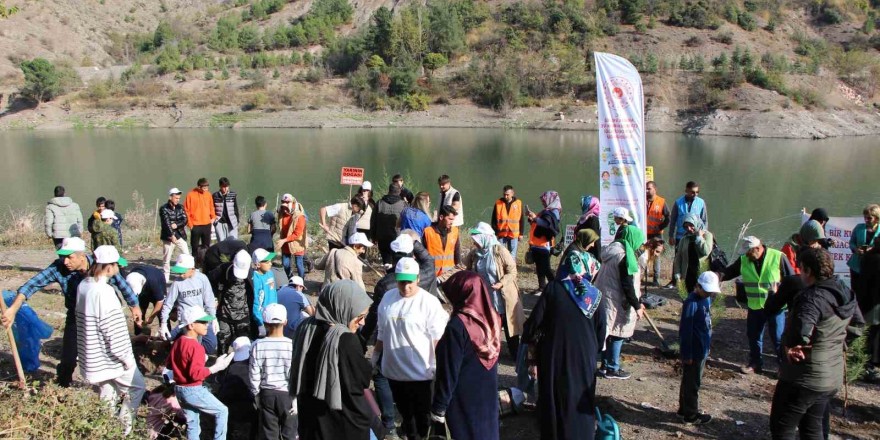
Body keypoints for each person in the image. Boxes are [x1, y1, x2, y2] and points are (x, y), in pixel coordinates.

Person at [1, 237, 142, 387]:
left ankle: (120, 385)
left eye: (70, 257)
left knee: (109, 352)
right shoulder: (59, 268)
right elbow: (32, 285)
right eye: (62, 257)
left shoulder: (98, 264)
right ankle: (63, 384)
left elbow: (121, 284)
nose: (65, 261)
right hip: (77, 317)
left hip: (102, 315)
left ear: (82, 256)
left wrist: (134, 306)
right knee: (68, 358)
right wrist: (13, 309)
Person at [770, 248, 860, 440]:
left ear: (808, 271)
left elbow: (800, 332)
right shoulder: (844, 291)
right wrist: (834, 344)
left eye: (801, 268)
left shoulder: (811, 298)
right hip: (831, 375)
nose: (800, 273)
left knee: (782, 427)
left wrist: (792, 347)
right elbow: (858, 325)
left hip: (804, 377)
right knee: (812, 427)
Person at [521, 242, 606, 440]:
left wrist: (527, 340)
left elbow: (534, 323)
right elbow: (601, 331)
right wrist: (594, 351)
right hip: (584, 358)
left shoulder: (553, 289)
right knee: (580, 399)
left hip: (554, 355)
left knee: (554, 398)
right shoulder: (594, 296)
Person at [291, 280, 375, 440]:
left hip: (309, 421)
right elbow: (361, 381)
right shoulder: (345, 340)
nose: (362, 322)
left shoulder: (305, 328)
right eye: (359, 316)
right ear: (343, 308)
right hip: (342, 424)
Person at [375, 258, 448, 440]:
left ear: (417, 278)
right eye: (401, 281)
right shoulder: (388, 298)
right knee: (406, 415)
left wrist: (440, 369)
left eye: (409, 281)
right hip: (394, 373)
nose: (405, 286)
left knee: (422, 417)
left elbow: (437, 339)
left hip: (421, 374)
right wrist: (375, 356)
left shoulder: (429, 303)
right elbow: (382, 331)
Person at [75, 245, 145, 435]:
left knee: (107, 391)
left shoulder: (84, 285)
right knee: (137, 388)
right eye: (116, 266)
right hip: (110, 357)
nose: (118, 270)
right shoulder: (104, 292)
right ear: (108, 267)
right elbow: (113, 332)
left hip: (92, 356)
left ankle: (103, 429)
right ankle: (124, 430)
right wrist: (127, 359)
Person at [431, 271, 501, 440]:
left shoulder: (458, 326)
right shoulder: (493, 319)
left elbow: (449, 370)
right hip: (487, 394)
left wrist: (439, 407)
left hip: (464, 396)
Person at [721, 236, 794, 374]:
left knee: (778, 338)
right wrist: (717, 275)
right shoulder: (744, 260)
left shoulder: (778, 257)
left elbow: (792, 280)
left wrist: (792, 303)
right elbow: (729, 272)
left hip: (776, 307)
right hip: (755, 306)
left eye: (749, 252)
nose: (747, 255)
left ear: (758, 248)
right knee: (754, 336)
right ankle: (755, 364)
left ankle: (783, 368)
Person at [167, 305, 235, 440]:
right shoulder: (197, 347)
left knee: (192, 423)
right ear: (191, 325)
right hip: (193, 389)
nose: (206, 325)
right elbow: (195, 374)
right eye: (203, 322)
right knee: (222, 411)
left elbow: (169, 364)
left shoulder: (179, 341)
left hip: (179, 388)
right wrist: (215, 367)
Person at [461, 222, 525, 358]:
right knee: (490, 327)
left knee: (510, 330)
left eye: (477, 241)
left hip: (503, 297)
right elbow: (461, 267)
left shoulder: (499, 251)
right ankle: (491, 354)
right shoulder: (475, 254)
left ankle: (516, 356)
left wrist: (501, 283)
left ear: (485, 238)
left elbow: (512, 271)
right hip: (486, 297)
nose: (475, 244)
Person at [594, 215, 646, 380]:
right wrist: (637, 306)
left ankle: (604, 365)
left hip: (605, 296)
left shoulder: (613, 249)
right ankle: (612, 367)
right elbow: (627, 284)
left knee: (607, 332)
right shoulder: (625, 257)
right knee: (618, 333)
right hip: (615, 300)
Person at [249, 303, 296, 440]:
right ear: (285, 322)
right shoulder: (292, 345)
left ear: (265, 323)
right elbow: (294, 374)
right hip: (287, 395)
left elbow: (254, 373)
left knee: (269, 434)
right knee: (290, 433)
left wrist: (256, 394)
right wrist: (296, 398)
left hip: (266, 393)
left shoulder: (257, 345)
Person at [678, 272, 719, 426]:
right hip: (693, 352)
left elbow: (706, 325)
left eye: (711, 291)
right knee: (692, 383)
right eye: (707, 290)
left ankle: (684, 409)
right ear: (698, 286)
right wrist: (686, 353)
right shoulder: (691, 302)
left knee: (692, 381)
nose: (709, 293)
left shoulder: (705, 299)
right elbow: (686, 331)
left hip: (702, 349)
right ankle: (691, 415)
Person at [160, 254, 218, 355]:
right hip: (186, 321)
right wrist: (163, 323)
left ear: (192, 269)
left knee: (211, 345)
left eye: (183, 271)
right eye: (179, 271)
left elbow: (209, 300)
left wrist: (213, 318)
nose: (180, 274)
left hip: (200, 318)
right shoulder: (177, 283)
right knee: (191, 345)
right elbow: (168, 304)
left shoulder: (202, 279)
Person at [209, 250, 254, 353]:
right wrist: (214, 298)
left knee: (244, 346)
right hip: (224, 315)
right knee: (223, 343)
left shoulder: (250, 274)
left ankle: (241, 367)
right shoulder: (223, 270)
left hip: (243, 316)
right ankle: (222, 367)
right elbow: (209, 281)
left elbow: (253, 294)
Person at [668, 182, 708, 288]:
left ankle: (694, 281)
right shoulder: (678, 203)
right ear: (686, 190)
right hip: (680, 236)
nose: (695, 194)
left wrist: (703, 234)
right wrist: (671, 235)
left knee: (694, 258)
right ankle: (674, 281)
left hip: (695, 236)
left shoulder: (701, 202)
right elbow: (673, 220)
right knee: (678, 258)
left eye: (697, 192)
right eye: (693, 192)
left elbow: (704, 220)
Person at [217, 337, 258, 437]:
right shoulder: (255, 366)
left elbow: (223, 392)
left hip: (232, 407)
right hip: (251, 405)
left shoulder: (230, 368)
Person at [527, 191, 562, 292]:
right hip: (537, 244)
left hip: (544, 245)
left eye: (544, 200)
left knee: (546, 268)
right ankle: (542, 287)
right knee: (539, 267)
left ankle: (556, 288)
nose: (542, 202)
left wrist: (536, 219)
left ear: (550, 199)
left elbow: (548, 225)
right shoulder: (546, 211)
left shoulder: (553, 212)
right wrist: (532, 219)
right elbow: (539, 224)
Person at [672, 214, 715, 293]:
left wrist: (699, 238)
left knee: (702, 299)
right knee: (688, 300)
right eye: (686, 227)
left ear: (696, 223)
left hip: (702, 275)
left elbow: (706, 251)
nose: (689, 229)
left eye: (691, 225)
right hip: (687, 275)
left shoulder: (707, 235)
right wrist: (677, 275)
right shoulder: (684, 239)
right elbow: (678, 258)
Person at [850, 204, 880, 312]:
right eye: (865, 217)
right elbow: (851, 243)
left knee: (870, 291)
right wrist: (855, 249)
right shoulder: (859, 227)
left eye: (869, 218)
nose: (866, 220)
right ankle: (855, 314)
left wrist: (872, 249)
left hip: (873, 267)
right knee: (856, 290)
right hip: (856, 265)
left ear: (876, 218)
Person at [126, 264, 167, 336]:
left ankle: (166, 335)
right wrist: (135, 312)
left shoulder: (153, 281)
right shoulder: (130, 278)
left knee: (162, 313)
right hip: (144, 289)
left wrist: (151, 317)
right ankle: (139, 337)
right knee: (140, 312)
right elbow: (130, 300)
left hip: (156, 282)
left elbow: (160, 301)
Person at [185, 178, 217, 266]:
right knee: (194, 247)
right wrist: (190, 224)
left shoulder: (208, 194)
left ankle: (205, 264)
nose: (206, 189)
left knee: (206, 246)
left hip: (207, 224)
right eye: (204, 188)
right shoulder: (190, 195)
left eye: (207, 187)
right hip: (195, 225)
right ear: (199, 187)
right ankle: (194, 265)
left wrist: (213, 217)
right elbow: (186, 210)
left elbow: (211, 207)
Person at [373, 183, 407, 266]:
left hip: (382, 237)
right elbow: (406, 222)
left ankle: (387, 275)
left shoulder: (379, 203)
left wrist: (373, 236)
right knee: (397, 261)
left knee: (386, 261)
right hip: (397, 237)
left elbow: (373, 221)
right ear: (399, 191)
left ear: (389, 191)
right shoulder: (403, 205)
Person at [423, 205, 461, 278]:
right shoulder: (428, 232)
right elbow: (422, 254)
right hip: (432, 274)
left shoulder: (455, 231)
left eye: (453, 219)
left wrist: (459, 271)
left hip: (449, 275)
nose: (452, 222)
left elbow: (457, 252)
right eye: (450, 219)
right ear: (441, 217)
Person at [161, 187, 190, 282]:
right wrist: (171, 235)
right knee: (167, 258)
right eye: (176, 198)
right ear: (170, 197)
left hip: (179, 234)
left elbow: (185, 220)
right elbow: (166, 223)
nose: (178, 199)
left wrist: (176, 225)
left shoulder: (180, 207)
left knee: (186, 253)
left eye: (179, 198)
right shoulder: (164, 209)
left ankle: (187, 273)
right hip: (168, 236)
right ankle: (166, 278)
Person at [276, 194, 307, 279]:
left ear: (293, 204)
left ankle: (301, 282)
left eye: (286, 207)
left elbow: (297, 234)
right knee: (285, 264)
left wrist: (283, 240)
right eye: (283, 207)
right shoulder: (281, 213)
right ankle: (290, 279)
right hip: (285, 243)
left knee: (299, 264)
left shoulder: (300, 217)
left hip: (297, 243)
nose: (285, 210)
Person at [646, 182, 671, 286]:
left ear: (655, 189)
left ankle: (656, 279)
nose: (647, 191)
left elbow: (668, 217)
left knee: (656, 256)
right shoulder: (642, 200)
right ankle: (643, 275)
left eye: (649, 189)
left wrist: (660, 227)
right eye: (646, 189)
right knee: (644, 254)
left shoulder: (661, 202)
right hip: (645, 233)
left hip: (657, 234)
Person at [45, 185, 83, 249]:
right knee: (72, 255)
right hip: (72, 234)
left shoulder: (50, 207)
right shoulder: (75, 205)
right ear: (64, 193)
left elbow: (48, 223)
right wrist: (80, 231)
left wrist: (49, 234)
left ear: (54, 194)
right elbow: (80, 220)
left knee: (62, 254)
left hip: (58, 235)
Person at [491, 185, 526, 258]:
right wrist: (495, 233)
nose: (505, 196)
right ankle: (501, 268)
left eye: (507, 195)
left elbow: (521, 219)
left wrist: (521, 234)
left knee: (512, 255)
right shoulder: (498, 203)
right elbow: (494, 220)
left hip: (513, 234)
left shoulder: (518, 203)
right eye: (504, 194)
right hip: (501, 234)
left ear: (512, 193)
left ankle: (511, 269)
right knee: (500, 253)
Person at [252, 248, 278, 339]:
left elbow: (274, 292)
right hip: (262, 317)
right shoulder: (255, 278)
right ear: (258, 264)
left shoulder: (270, 273)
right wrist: (260, 323)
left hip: (273, 313)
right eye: (267, 262)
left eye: (271, 261)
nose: (270, 264)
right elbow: (256, 301)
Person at [574, 195, 601, 261]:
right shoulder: (585, 218)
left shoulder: (593, 219)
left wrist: (598, 258)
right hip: (581, 251)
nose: (581, 206)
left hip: (589, 255)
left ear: (591, 205)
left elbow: (595, 239)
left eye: (584, 204)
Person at [213, 177, 240, 241]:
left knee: (233, 241)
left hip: (231, 221)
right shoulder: (215, 195)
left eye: (227, 186)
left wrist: (237, 220)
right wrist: (214, 221)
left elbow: (235, 208)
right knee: (221, 241)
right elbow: (212, 208)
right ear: (220, 186)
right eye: (223, 187)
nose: (225, 189)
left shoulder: (232, 195)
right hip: (219, 222)